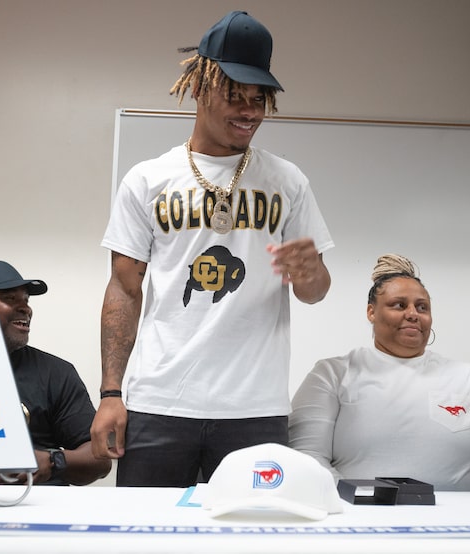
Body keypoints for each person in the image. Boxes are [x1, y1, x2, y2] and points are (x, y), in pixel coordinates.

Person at [91, 10, 334, 487]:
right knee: (150, 535)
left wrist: (309, 274)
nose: (249, 111)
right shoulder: (148, 179)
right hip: (160, 403)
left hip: (255, 409)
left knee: (252, 536)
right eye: (235, 95)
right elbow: (124, 289)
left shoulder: (287, 180)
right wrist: (110, 393)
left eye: (259, 98)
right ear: (201, 87)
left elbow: (316, 291)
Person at [289, 254, 470, 491]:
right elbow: (307, 457)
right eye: (398, 305)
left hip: (464, 531)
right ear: (371, 312)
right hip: (367, 528)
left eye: (422, 307)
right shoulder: (333, 374)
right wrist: (360, 507)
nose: (413, 313)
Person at [0, 260, 111, 486]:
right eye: (9, 298)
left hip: (33, 508)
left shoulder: (55, 373)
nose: (25, 308)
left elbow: (99, 459)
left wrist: (52, 460)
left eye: (26, 300)